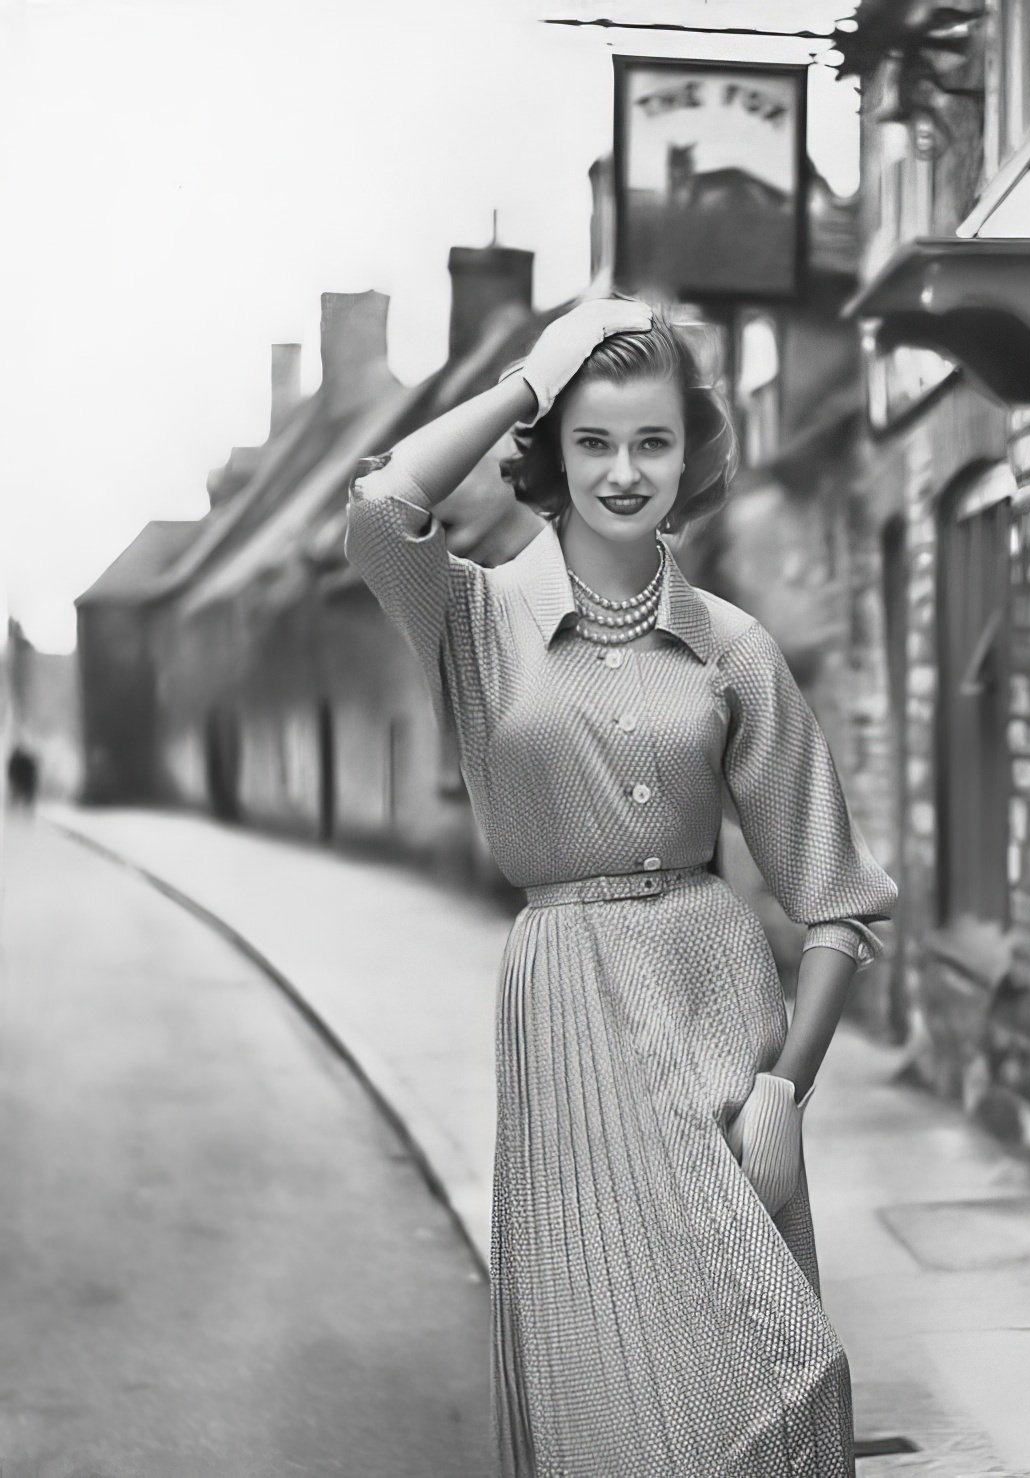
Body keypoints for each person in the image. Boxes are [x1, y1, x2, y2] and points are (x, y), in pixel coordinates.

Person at [345, 297, 897, 1477]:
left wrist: (784, 1090)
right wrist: (525, 382)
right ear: (551, 455)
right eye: (592, 441)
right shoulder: (477, 617)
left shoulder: (732, 646)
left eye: (651, 441)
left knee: (786, 1373)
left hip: (718, 1022)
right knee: (613, 1396)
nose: (623, 471)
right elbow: (380, 510)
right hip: (568, 1022)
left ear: (687, 455)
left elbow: (838, 898)